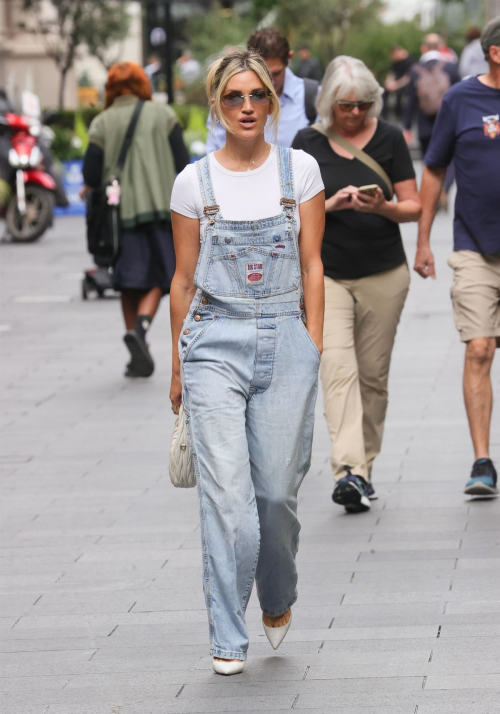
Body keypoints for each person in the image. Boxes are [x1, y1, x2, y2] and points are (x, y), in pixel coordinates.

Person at [169, 48, 325, 674]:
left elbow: (314, 264)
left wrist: (313, 344)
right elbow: (182, 280)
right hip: (213, 340)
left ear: (272, 100)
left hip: (287, 335)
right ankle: (227, 634)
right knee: (227, 498)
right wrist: (179, 365)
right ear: (216, 105)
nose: (246, 107)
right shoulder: (193, 182)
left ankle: (279, 593)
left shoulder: (301, 170)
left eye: (256, 95)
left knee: (276, 494)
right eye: (232, 97)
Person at [293, 56, 421, 513]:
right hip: (326, 273)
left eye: (364, 104)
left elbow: (414, 205)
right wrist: (332, 202)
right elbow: (291, 212)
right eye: (346, 105)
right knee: (337, 371)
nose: (355, 113)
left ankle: (364, 465)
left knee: (373, 378)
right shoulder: (306, 142)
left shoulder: (388, 137)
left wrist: (382, 206)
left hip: (384, 272)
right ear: (329, 103)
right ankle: (349, 470)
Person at [414, 16, 500, 498]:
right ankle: (483, 461)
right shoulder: (461, 99)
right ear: (496, 52)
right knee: (479, 347)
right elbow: (434, 169)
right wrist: (424, 240)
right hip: (475, 247)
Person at [82, 62, 190, 378]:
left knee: (127, 280)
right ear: (143, 86)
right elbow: (183, 162)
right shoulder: (164, 115)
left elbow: (90, 173)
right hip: (160, 209)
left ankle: (135, 349)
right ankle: (141, 332)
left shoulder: (101, 123)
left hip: (119, 216)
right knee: (160, 275)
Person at [205, 29, 319, 152]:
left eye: (275, 74)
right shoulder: (228, 102)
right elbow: (216, 150)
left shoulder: (313, 97)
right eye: (261, 74)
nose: (269, 82)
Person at [404, 34, 460, 210]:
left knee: (429, 161)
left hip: (424, 125)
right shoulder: (451, 67)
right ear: (441, 46)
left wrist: (407, 126)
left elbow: (411, 100)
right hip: (449, 122)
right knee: (451, 159)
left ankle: (432, 195)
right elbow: (460, 97)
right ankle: (444, 187)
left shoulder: (415, 70)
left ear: (423, 48)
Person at [383, 46, 415, 120]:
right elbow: (392, 73)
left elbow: (407, 78)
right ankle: (384, 113)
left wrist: (397, 85)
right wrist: (389, 82)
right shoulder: (395, 62)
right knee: (384, 91)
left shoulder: (409, 61)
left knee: (399, 93)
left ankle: (399, 114)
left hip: (406, 84)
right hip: (396, 83)